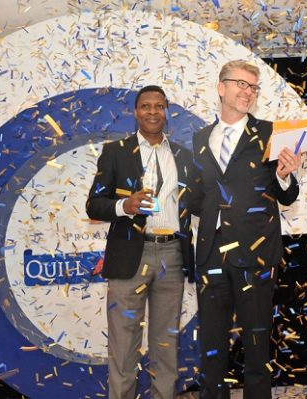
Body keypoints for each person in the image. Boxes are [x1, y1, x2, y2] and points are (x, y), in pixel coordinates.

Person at [192, 60, 302, 398]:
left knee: (257, 349)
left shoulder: (272, 134)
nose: (247, 92)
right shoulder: (199, 138)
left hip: (255, 255)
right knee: (212, 347)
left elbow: (287, 194)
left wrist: (284, 175)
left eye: (253, 87)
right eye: (241, 84)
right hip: (211, 254)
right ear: (221, 87)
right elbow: (199, 197)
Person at [86, 85, 198, 399]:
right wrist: (125, 206)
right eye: (146, 106)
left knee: (166, 345)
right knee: (123, 345)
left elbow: (198, 203)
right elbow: (94, 205)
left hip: (172, 256)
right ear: (135, 113)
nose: (152, 112)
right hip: (128, 257)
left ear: (167, 111)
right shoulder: (116, 152)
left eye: (158, 106)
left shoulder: (183, 156)